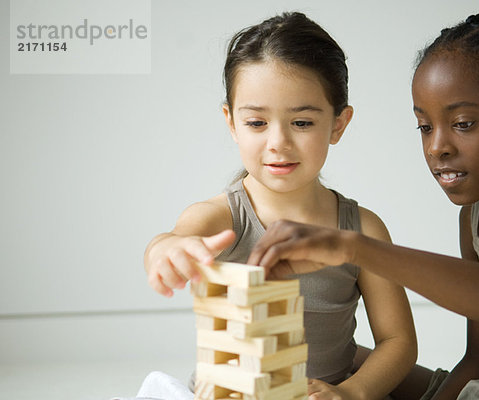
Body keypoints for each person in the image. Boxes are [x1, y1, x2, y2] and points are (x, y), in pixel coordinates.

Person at [247, 11, 479, 400]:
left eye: (463, 123)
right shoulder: (474, 218)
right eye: (425, 126)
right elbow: (478, 360)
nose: (437, 147)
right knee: (342, 365)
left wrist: (350, 246)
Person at [143, 12, 417, 400]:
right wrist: (166, 250)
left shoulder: (362, 230)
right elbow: (171, 240)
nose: (278, 142)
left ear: (338, 124)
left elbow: (398, 340)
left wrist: (351, 393)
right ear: (231, 122)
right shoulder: (221, 217)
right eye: (257, 122)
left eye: (302, 123)